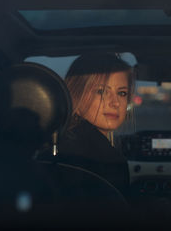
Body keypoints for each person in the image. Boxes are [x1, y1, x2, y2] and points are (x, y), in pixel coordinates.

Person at [57, 53, 134, 195]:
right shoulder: (104, 160)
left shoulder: (59, 142)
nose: (115, 102)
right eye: (101, 91)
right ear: (75, 94)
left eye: (122, 93)